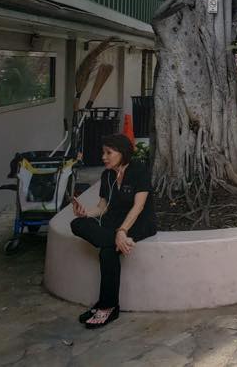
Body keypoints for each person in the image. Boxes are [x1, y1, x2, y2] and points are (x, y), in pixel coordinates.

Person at [70, 134, 157, 328]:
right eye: (103, 153)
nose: (104, 157)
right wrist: (85, 213)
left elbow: (139, 206)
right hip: (114, 224)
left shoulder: (139, 170)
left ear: (122, 153)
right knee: (77, 224)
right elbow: (102, 208)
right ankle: (114, 241)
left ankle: (107, 307)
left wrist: (122, 231)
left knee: (107, 252)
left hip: (139, 223)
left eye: (109, 153)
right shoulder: (107, 175)